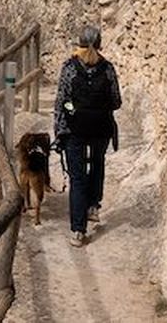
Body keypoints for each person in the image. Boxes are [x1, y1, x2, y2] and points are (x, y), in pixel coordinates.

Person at [53, 24, 121, 246]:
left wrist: (61, 129)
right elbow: (116, 101)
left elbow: (62, 100)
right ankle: (93, 205)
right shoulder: (108, 68)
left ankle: (78, 230)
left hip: (75, 130)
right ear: (99, 44)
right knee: (97, 165)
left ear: (79, 43)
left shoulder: (69, 67)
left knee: (77, 177)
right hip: (101, 129)